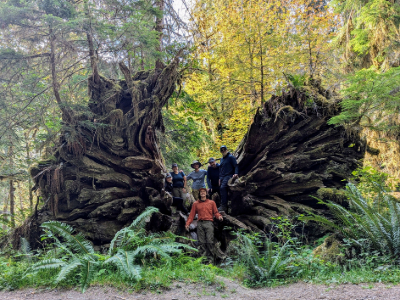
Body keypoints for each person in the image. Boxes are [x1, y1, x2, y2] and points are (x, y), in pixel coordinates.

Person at [185, 187, 223, 262]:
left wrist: (219, 217)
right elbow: (191, 215)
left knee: (210, 241)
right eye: (201, 192)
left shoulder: (211, 202)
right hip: (200, 224)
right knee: (201, 242)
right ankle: (202, 259)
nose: (202, 193)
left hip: (209, 223)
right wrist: (187, 224)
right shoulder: (196, 204)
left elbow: (216, 212)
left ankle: (210, 259)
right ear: (199, 194)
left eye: (204, 191)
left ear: (206, 193)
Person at [218, 145, 238, 212]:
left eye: (224, 149)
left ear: (227, 150)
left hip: (229, 175)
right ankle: (223, 205)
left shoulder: (231, 157)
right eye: (222, 150)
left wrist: (236, 173)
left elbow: (236, 165)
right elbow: (221, 169)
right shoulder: (221, 159)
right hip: (223, 177)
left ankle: (224, 206)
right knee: (221, 189)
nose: (223, 151)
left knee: (223, 188)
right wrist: (220, 178)